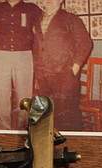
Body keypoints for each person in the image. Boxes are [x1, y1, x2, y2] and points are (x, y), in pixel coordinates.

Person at [33, 0, 92, 131]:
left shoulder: (71, 19)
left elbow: (86, 43)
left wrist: (75, 67)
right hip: (43, 75)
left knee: (67, 116)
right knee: (48, 115)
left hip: (65, 76)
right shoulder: (37, 20)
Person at [0, 0, 41, 129]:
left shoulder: (31, 8)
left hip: (24, 55)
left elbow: (42, 25)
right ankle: (4, 127)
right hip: (1, 54)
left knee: (24, 93)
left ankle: (23, 127)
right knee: (1, 92)